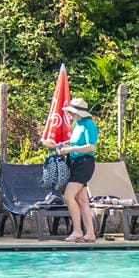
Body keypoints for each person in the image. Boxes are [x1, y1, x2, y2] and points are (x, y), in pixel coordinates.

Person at [57, 97, 99, 243]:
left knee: (69, 196)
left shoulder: (89, 124)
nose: (70, 115)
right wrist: (62, 145)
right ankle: (90, 234)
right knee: (82, 199)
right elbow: (75, 142)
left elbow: (91, 146)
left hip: (84, 163)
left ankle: (77, 230)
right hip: (75, 163)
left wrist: (70, 149)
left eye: (71, 112)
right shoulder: (78, 125)